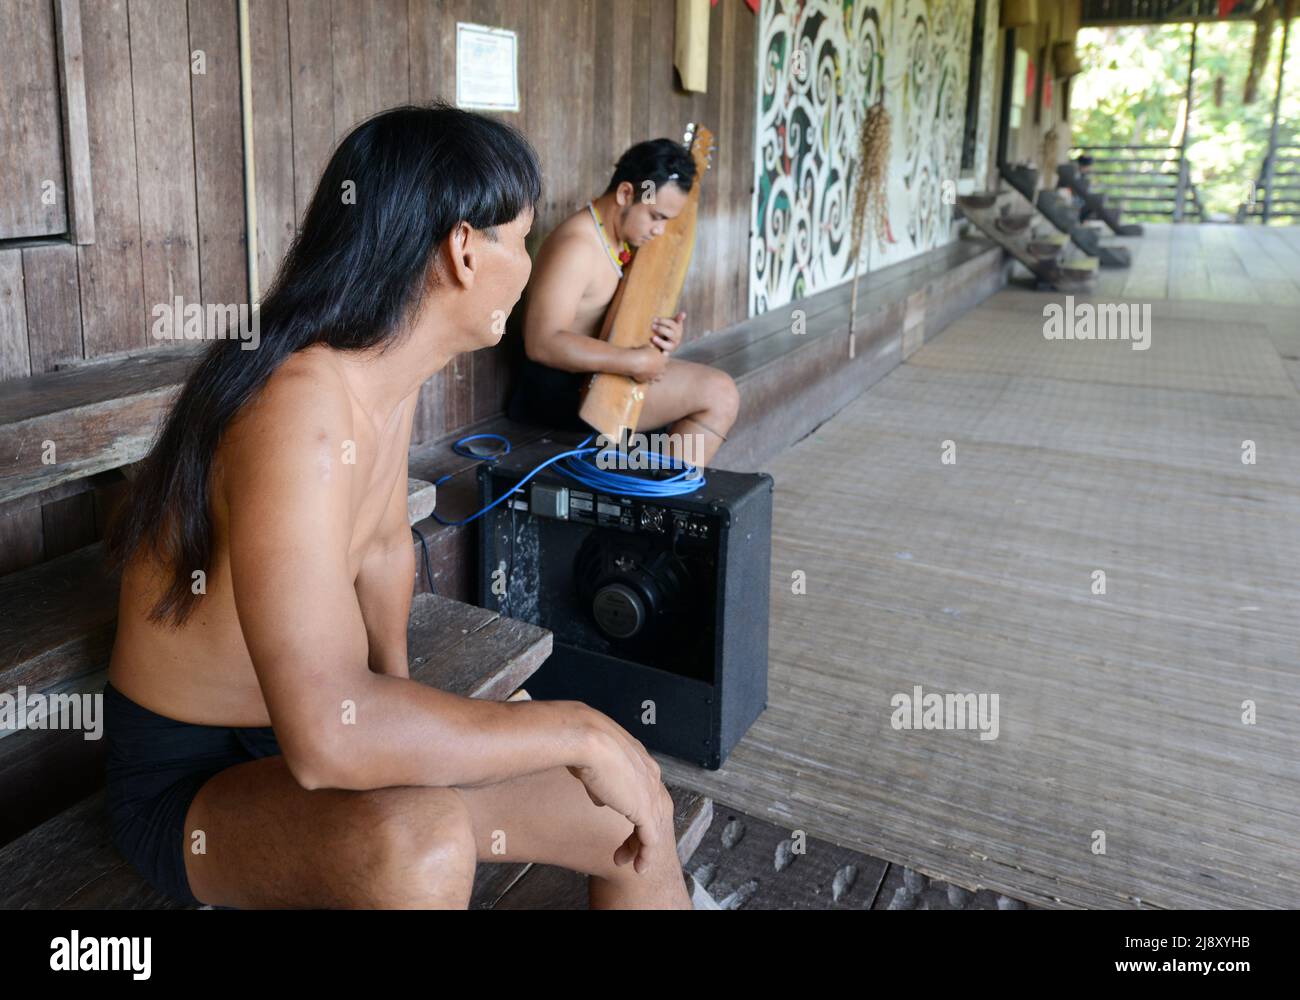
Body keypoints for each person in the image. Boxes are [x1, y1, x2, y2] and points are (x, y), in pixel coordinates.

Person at [103, 103, 692, 910]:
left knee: (631, 820)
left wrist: (409, 709)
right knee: (423, 844)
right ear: (461, 250)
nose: (525, 263)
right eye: (518, 239)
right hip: (198, 782)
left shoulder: (388, 367)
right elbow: (329, 737)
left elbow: (381, 546)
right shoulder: (295, 408)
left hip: (305, 741)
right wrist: (575, 728)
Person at [508, 139, 739, 466]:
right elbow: (541, 343)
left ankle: (662, 493)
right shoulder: (576, 246)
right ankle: (662, 503)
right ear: (625, 194)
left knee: (718, 389)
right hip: (557, 394)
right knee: (720, 393)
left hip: (599, 375)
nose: (659, 230)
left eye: (667, 221)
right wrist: (633, 363)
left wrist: (662, 337)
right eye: (655, 216)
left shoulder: (620, 237)